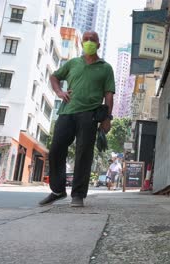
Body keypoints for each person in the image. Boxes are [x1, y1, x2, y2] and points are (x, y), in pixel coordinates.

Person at [39, 31, 115, 207]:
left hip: (90, 114)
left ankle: (78, 195)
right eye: (86, 40)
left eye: (92, 40)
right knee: (56, 148)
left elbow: (109, 95)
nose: (89, 42)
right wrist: (59, 92)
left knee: (84, 153)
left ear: (98, 44)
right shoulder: (73, 63)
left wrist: (107, 118)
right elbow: (54, 77)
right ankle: (57, 190)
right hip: (67, 112)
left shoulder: (106, 68)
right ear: (82, 43)